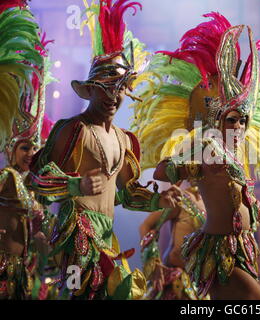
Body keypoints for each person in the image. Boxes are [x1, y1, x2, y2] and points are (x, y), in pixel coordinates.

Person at [132, 12, 260, 300]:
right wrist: (191, 164)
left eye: (242, 121)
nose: (238, 126)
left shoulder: (237, 164)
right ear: (220, 121)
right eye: (232, 119)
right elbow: (163, 172)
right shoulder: (209, 151)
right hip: (218, 252)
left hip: (242, 252)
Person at [30, 0, 183, 300]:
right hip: (77, 234)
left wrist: (158, 199)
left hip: (106, 234)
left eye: (119, 88)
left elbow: (125, 194)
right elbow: (37, 178)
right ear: (91, 89)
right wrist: (77, 184)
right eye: (105, 87)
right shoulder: (73, 129)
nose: (112, 96)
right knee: (76, 294)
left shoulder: (125, 140)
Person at [0, 1, 56, 299]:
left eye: (33, 147)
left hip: (24, 272)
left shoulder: (29, 184)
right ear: (10, 150)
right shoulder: (7, 177)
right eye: (24, 147)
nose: (30, 153)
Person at [139, 181, 207, 300]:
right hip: (174, 285)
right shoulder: (180, 199)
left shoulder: (215, 205)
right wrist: (153, 263)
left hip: (200, 287)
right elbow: (146, 226)